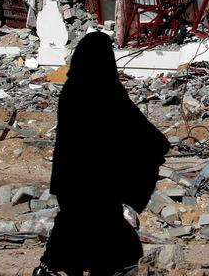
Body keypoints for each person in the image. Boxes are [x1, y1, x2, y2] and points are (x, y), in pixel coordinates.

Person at [35, 32, 170, 276]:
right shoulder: (107, 91)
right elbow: (138, 132)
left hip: (72, 179)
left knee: (74, 227)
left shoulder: (71, 89)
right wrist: (157, 145)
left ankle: (51, 269)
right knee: (104, 233)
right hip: (100, 182)